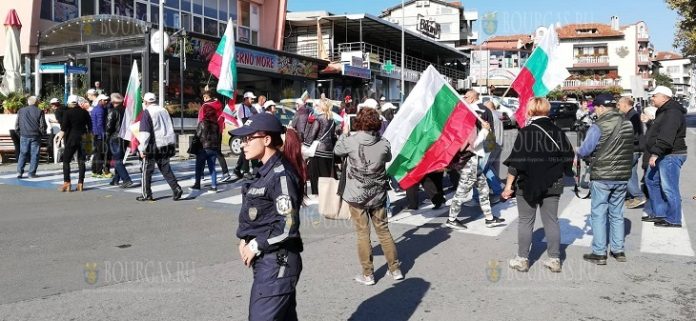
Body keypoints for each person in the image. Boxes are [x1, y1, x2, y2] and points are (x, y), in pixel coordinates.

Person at [232, 112, 306, 321]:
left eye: (248, 138)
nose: (243, 144)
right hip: (268, 262)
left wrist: (255, 245)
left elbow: (288, 225)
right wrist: (244, 239)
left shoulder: (280, 175)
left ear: (266, 140)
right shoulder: (264, 171)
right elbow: (261, 216)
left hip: (278, 262)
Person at [502, 98, 574, 273]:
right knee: (551, 221)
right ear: (547, 111)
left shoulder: (526, 132)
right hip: (553, 182)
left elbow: (516, 163)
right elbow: (569, 155)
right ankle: (555, 259)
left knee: (526, 221)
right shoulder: (558, 132)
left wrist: (508, 186)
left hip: (528, 183)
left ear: (531, 111)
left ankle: (522, 259)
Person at [334, 107, 403, 285]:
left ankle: (368, 274)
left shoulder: (350, 141)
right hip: (377, 194)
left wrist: (344, 133)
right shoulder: (384, 143)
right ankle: (395, 269)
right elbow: (387, 158)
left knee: (363, 234)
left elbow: (337, 151)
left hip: (356, 195)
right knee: (384, 231)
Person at [576, 94, 634, 265]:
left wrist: (577, 150)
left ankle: (599, 252)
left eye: (596, 108)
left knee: (599, 213)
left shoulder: (598, 126)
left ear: (601, 107)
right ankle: (618, 250)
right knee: (617, 213)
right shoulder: (628, 123)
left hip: (602, 174)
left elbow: (586, 150)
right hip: (623, 175)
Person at [445, 117, 505, 229]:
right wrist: (484, 131)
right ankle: (451, 219)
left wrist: (485, 131)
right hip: (469, 164)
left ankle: (489, 218)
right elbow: (474, 146)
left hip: (473, 163)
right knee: (461, 192)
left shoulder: (464, 124)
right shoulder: (466, 125)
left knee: (484, 189)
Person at [643, 86, 688, 228]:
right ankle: (660, 213)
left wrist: (655, 153)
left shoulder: (672, 112)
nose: (652, 98)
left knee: (669, 188)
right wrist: (650, 123)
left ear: (664, 97)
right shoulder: (665, 111)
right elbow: (659, 131)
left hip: (670, 155)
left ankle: (674, 219)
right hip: (664, 154)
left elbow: (667, 135)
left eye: (654, 95)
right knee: (650, 180)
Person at [137, 92, 183, 202]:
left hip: (153, 145)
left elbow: (145, 133)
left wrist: (142, 148)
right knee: (165, 168)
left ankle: (146, 194)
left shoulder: (147, 112)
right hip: (165, 143)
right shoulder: (164, 110)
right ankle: (176, 188)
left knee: (146, 170)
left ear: (146, 102)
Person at [618, 97, 646, 208]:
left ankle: (638, 196)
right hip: (634, 149)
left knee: (625, 174)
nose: (618, 107)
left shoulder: (633, 116)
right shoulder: (632, 114)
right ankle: (632, 197)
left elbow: (633, 135)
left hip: (631, 149)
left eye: (619, 104)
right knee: (632, 174)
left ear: (625, 104)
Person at [59, 95, 92, 192]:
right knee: (81, 161)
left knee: (66, 160)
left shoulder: (67, 113)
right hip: (84, 138)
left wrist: (58, 138)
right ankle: (80, 183)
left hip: (71, 139)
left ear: (69, 103)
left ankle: (67, 182)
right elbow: (90, 126)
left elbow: (63, 128)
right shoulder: (84, 112)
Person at [303, 98, 336, 195]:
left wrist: (309, 124)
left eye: (317, 105)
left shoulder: (318, 119)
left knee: (316, 180)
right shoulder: (332, 120)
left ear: (322, 107)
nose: (315, 107)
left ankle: (318, 203)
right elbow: (332, 136)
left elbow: (310, 137)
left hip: (317, 152)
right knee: (326, 180)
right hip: (329, 153)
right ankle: (327, 202)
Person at [199, 90, 233, 182]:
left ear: (206, 97)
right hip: (218, 131)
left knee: (203, 151)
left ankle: (201, 174)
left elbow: (201, 120)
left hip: (208, 133)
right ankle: (225, 172)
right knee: (218, 152)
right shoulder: (219, 104)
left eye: (204, 97)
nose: (203, 99)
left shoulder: (205, 106)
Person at [15, 96, 48, 178]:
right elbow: (42, 125)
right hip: (35, 136)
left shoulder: (21, 110)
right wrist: (42, 133)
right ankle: (31, 173)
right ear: (36, 102)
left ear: (28, 102)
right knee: (35, 154)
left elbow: (17, 125)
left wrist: (20, 133)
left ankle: (19, 172)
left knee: (23, 153)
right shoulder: (39, 111)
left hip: (24, 135)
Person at [105, 93, 133, 188]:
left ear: (113, 102)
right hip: (125, 137)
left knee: (117, 160)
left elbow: (109, 126)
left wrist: (107, 137)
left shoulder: (113, 111)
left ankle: (127, 179)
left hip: (115, 138)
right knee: (119, 159)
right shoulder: (127, 111)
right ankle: (116, 179)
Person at [192, 104, 220, 193]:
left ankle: (197, 185)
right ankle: (214, 186)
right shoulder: (216, 124)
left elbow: (197, 135)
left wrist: (194, 146)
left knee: (199, 167)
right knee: (212, 168)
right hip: (214, 148)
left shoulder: (202, 123)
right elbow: (218, 137)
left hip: (203, 148)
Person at [234, 91, 257, 179]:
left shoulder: (251, 107)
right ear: (246, 99)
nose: (253, 100)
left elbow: (256, 116)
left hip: (251, 131)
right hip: (244, 131)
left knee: (245, 151)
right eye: (251, 99)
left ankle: (237, 169)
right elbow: (245, 121)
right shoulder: (242, 107)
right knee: (246, 150)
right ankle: (246, 171)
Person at [90, 94, 111, 178]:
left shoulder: (96, 109)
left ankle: (94, 171)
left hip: (95, 134)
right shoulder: (100, 110)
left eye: (107, 100)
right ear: (100, 101)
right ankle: (98, 172)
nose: (106, 102)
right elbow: (100, 124)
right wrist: (103, 134)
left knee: (96, 153)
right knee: (100, 154)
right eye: (104, 100)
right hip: (99, 135)